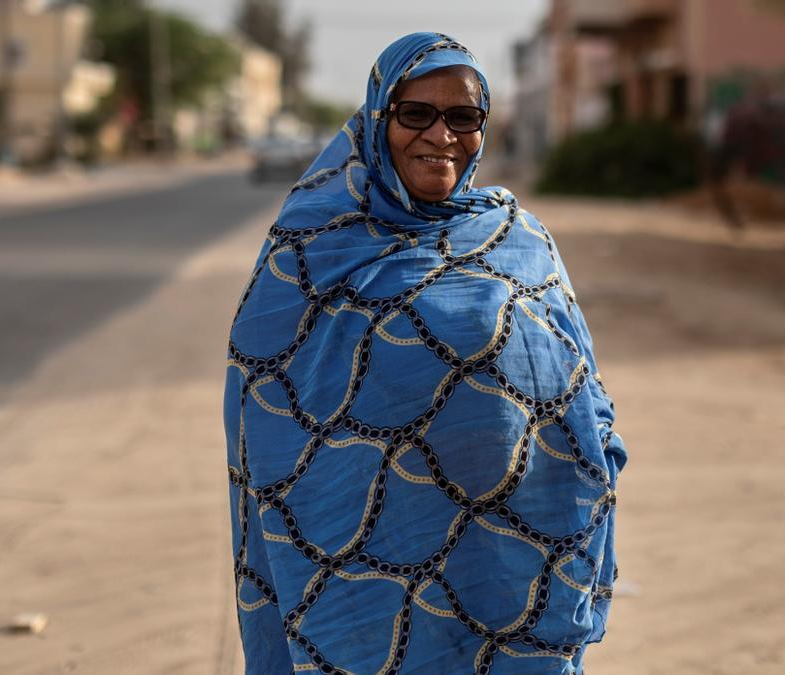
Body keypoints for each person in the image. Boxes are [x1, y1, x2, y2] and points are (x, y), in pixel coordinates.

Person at [224, 33, 627, 674]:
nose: (442, 135)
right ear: (380, 117)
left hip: (513, 559)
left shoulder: (519, 237)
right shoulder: (313, 245)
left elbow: (578, 378)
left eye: (463, 117)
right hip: (361, 568)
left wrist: (590, 455)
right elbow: (262, 399)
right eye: (418, 114)